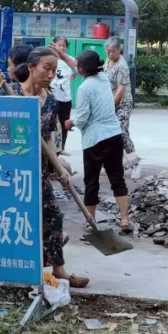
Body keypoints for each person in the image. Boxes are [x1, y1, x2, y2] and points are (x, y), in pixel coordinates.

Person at [0, 45, 86, 300]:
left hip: (37, 171)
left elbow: (48, 136)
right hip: (7, 171)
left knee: (53, 216)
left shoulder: (50, 100)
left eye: (54, 70)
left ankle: (58, 269)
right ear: (31, 68)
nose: (50, 74)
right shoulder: (11, 93)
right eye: (46, 68)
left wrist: (58, 167)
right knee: (1, 220)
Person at [64, 50, 131, 232]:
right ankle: (125, 219)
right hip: (114, 135)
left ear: (81, 68)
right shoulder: (104, 79)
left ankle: (90, 220)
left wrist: (71, 123)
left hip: (95, 140)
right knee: (117, 178)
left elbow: (82, 117)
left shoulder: (84, 88)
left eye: (78, 65)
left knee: (92, 181)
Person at [104, 37, 141, 178]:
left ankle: (135, 164)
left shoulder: (122, 66)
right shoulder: (108, 62)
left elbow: (120, 91)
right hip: (109, 102)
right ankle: (115, 163)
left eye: (113, 51)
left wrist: (110, 108)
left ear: (119, 50)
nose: (110, 54)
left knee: (122, 132)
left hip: (122, 103)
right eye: (108, 51)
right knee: (108, 133)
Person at [50, 36, 76, 152]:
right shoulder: (50, 59)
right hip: (52, 98)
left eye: (64, 46)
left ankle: (62, 147)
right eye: (59, 45)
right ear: (53, 45)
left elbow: (77, 71)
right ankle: (53, 148)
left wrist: (72, 76)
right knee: (52, 124)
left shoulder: (70, 60)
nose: (61, 48)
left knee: (64, 124)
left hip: (65, 98)